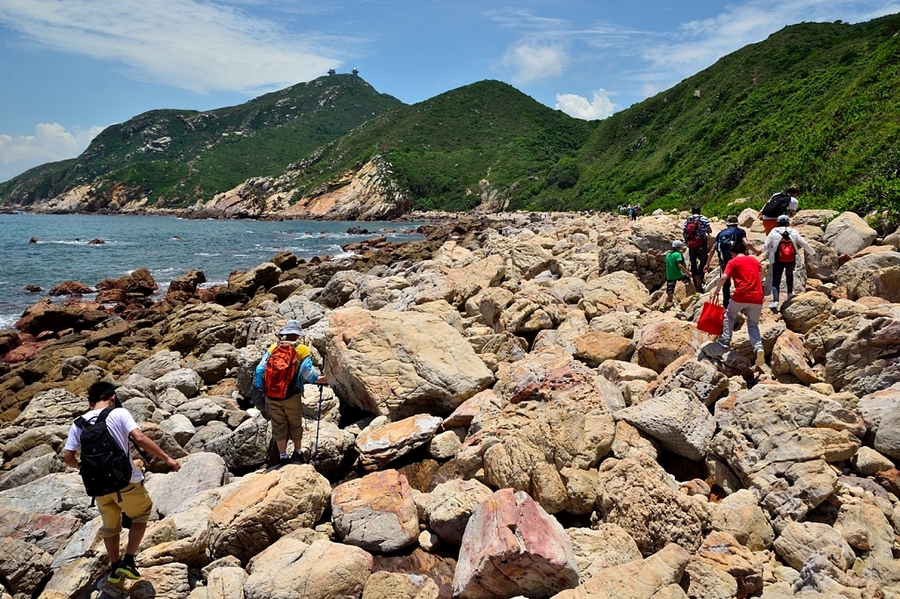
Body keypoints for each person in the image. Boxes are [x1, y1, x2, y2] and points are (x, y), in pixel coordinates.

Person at [63, 381, 181, 584]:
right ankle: (128, 561)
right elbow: (140, 438)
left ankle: (115, 567)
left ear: (90, 403)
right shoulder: (118, 413)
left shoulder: (78, 423)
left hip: (98, 487)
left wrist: (82, 468)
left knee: (110, 527)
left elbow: (68, 457)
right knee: (142, 513)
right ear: (112, 398)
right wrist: (167, 459)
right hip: (125, 482)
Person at [253, 320, 327, 467]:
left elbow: (260, 370)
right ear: (297, 335)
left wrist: (261, 388)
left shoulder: (274, 347)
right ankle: (298, 454)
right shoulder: (301, 349)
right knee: (295, 423)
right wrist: (320, 380)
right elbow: (308, 373)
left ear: (285, 333)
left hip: (271, 395)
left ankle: (283, 457)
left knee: (278, 424)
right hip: (292, 395)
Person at [713, 240, 766, 368]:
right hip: (757, 296)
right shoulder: (754, 260)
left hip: (741, 294)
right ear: (745, 251)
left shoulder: (733, 261)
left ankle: (725, 339)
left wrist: (716, 290)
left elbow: (724, 277)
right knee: (753, 324)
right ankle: (758, 347)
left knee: (729, 314)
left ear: (732, 253)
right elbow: (762, 273)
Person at [705, 215, 760, 308]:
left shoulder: (721, 234)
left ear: (727, 224)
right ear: (737, 223)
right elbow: (747, 244)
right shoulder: (740, 232)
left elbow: (712, 250)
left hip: (724, 261)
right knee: (739, 280)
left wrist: (707, 263)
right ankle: (740, 301)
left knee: (726, 282)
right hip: (737, 261)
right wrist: (756, 251)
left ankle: (726, 304)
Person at [763, 214, 816, 310]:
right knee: (789, 275)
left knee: (776, 280)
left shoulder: (773, 231)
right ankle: (790, 294)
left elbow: (766, 245)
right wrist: (812, 252)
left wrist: (758, 251)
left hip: (777, 259)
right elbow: (803, 243)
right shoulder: (793, 232)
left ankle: (775, 301)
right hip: (791, 259)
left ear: (777, 223)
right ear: (788, 223)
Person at [658, 240, 696, 310]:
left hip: (670, 276)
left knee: (668, 291)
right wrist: (688, 273)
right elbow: (680, 265)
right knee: (688, 280)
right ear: (678, 248)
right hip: (678, 274)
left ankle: (662, 305)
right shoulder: (678, 254)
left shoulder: (668, 255)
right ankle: (695, 294)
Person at [682, 206, 712, 292]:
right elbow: (710, 231)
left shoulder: (688, 219)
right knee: (704, 260)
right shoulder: (703, 218)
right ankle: (700, 275)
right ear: (700, 211)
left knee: (693, 262)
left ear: (692, 212)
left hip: (691, 244)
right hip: (701, 243)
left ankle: (695, 279)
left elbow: (684, 231)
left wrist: (687, 241)